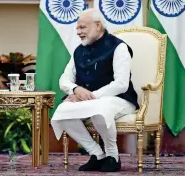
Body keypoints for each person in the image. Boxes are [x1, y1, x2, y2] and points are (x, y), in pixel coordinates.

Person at [51, 8, 139, 172]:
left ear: (97, 25)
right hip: (90, 101)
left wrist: (90, 96)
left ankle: (113, 156)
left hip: (121, 99)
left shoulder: (119, 47)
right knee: (62, 111)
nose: (78, 32)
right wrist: (75, 89)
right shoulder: (78, 50)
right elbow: (64, 79)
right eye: (77, 28)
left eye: (82, 27)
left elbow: (121, 84)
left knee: (100, 108)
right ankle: (97, 154)